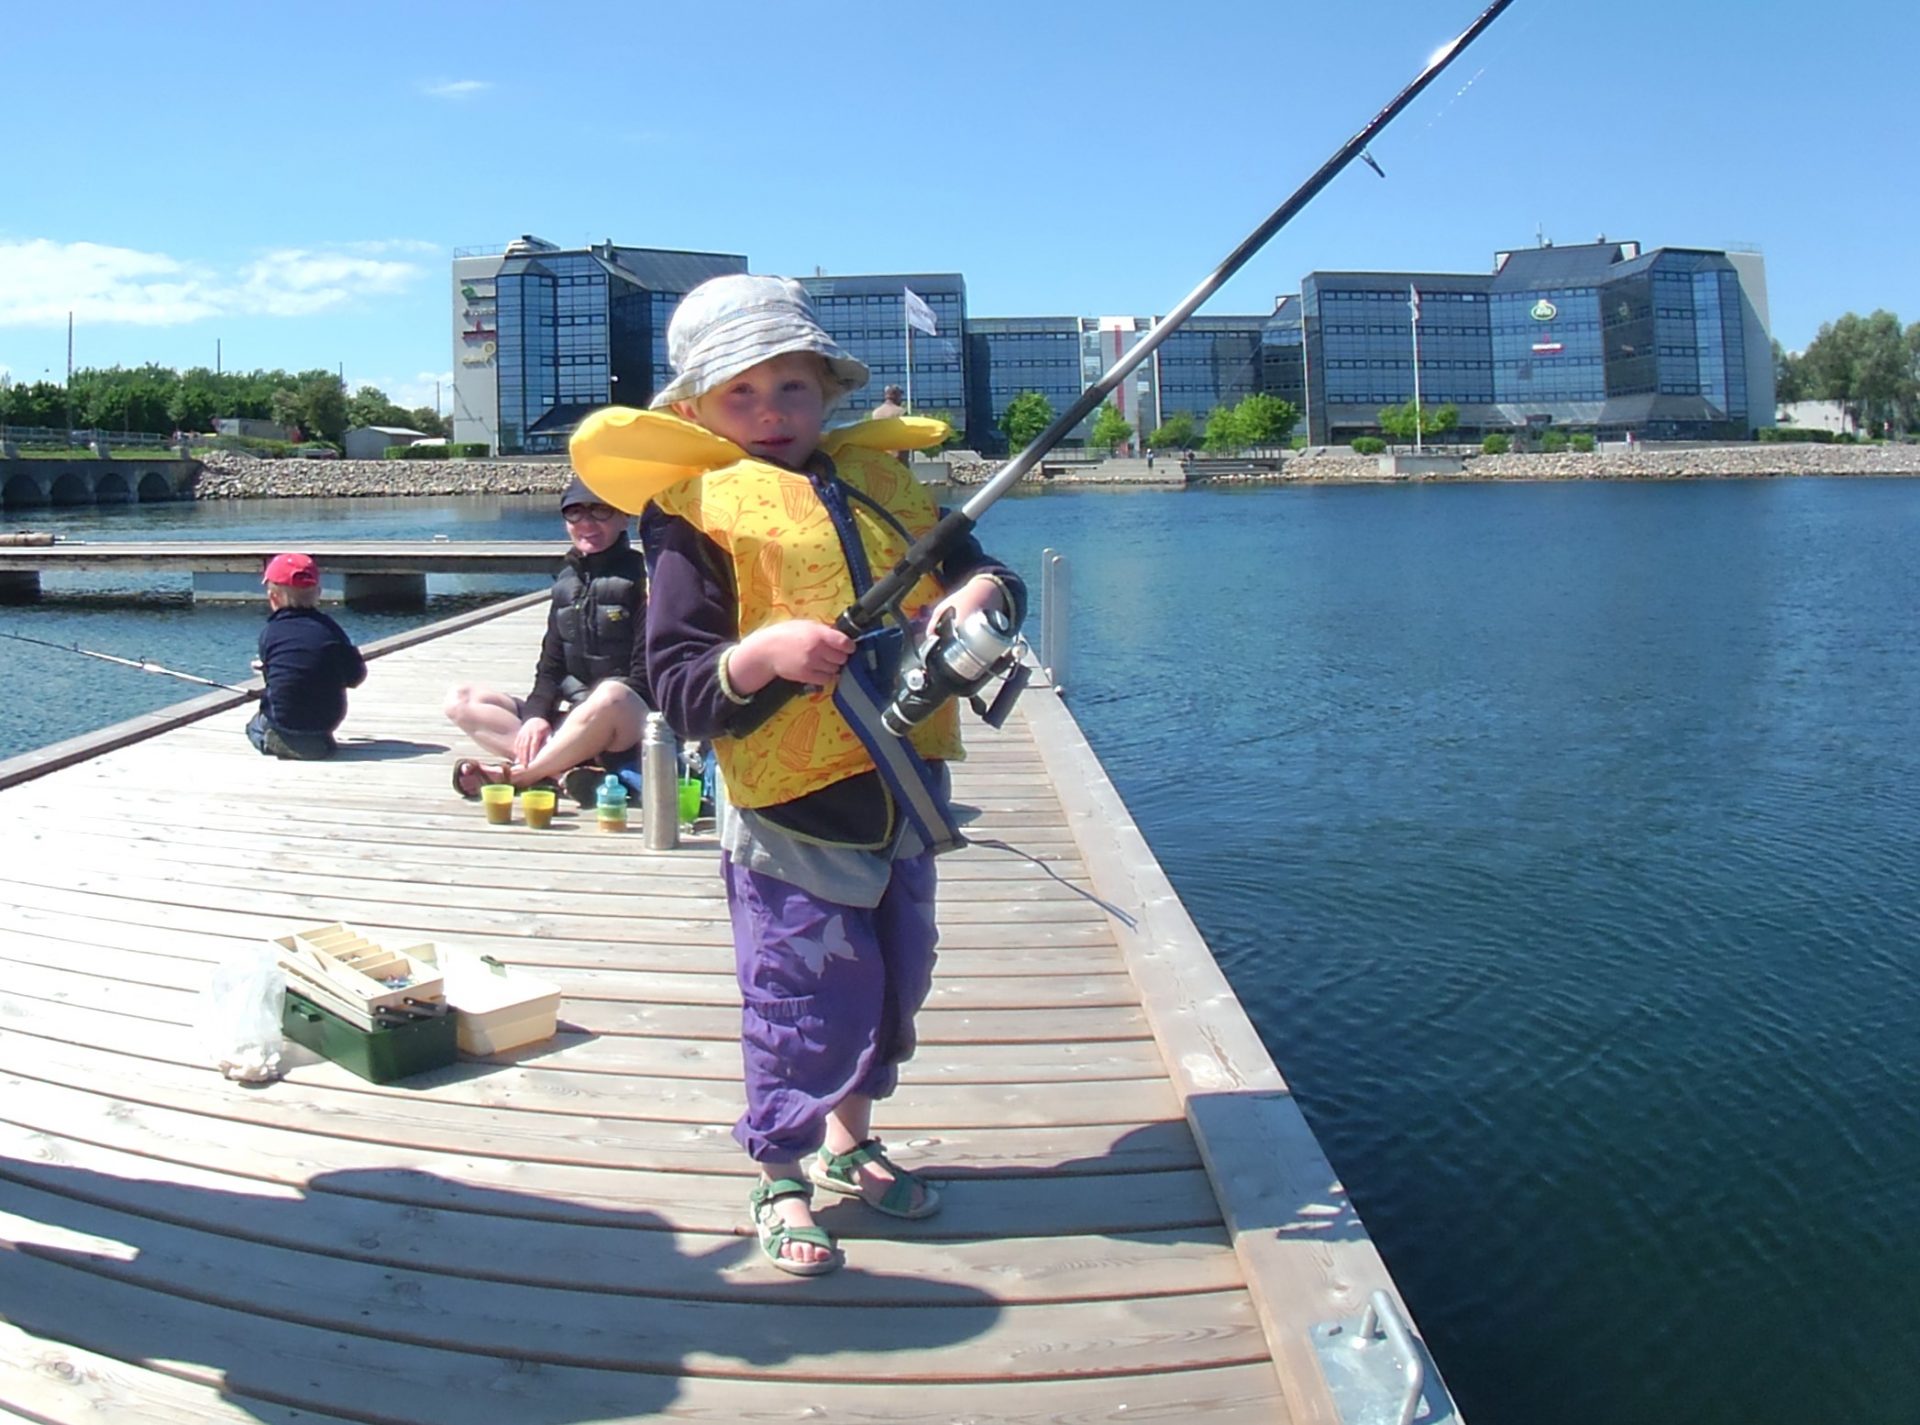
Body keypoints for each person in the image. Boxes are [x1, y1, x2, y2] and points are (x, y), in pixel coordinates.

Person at [570, 274, 1025, 1276]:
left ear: (830, 395)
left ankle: (850, 1140)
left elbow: (994, 579)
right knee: (802, 995)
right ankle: (778, 1170)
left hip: (906, 795)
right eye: (742, 394)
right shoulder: (691, 518)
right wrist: (763, 653)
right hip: (790, 812)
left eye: (794, 390)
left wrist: (986, 588)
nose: (771, 414)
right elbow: (682, 689)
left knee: (897, 981)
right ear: (692, 409)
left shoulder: (888, 489)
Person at [443, 475, 651, 803]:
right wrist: (537, 715)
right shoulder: (567, 581)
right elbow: (550, 666)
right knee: (461, 699)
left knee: (612, 693)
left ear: (624, 516)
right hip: (574, 714)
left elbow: (644, 678)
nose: (587, 523)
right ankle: (563, 773)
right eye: (575, 513)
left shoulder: (644, 579)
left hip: (626, 719)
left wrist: (585, 723)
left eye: (600, 512)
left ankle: (521, 774)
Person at [247, 552, 366, 760]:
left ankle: (271, 741)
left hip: (285, 720)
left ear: (272, 596)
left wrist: (267, 669)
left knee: (253, 726)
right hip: (327, 720)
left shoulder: (271, 632)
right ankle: (313, 739)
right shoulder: (331, 629)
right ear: (318, 592)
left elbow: (277, 683)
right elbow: (355, 676)